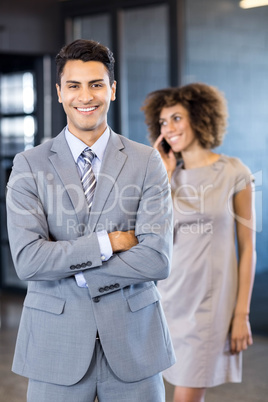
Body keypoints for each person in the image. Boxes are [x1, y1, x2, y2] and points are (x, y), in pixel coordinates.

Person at [6, 39, 175, 402]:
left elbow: (157, 258)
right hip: (56, 346)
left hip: (134, 346)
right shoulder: (29, 165)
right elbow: (28, 260)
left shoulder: (146, 162)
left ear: (112, 90)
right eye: (74, 85)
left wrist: (72, 268)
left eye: (96, 84)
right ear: (59, 92)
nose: (86, 96)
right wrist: (108, 243)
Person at [141, 83, 256, 402]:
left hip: (209, 304)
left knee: (187, 395)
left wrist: (241, 314)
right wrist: (162, 176)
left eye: (177, 118)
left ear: (200, 117)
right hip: (166, 299)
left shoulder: (235, 172)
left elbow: (247, 249)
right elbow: (150, 237)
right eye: (163, 122)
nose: (170, 128)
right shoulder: (167, 178)